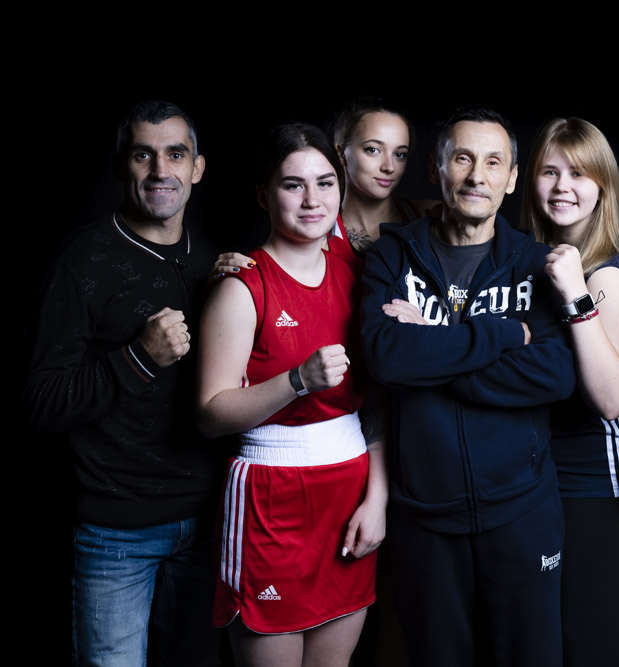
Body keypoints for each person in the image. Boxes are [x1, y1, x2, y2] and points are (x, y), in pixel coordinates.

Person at [359, 107, 575, 667]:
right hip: (424, 517)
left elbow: (553, 374)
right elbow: (385, 357)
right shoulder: (390, 255)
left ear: (512, 178)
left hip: (522, 510)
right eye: (462, 159)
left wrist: (429, 348)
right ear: (437, 170)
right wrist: (502, 335)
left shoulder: (537, 265)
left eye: (493, 162)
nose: (477, 176)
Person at [25, 100, 221, 665]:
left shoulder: (211, 258)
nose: (161, 170)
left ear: (197, 168)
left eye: (175, 155)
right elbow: (40, 402)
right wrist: (138, 357)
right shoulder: (84, 260)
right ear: (121, 166)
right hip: (117, 534)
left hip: (209, 523)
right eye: (143, 155)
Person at [196, 123, 387, 667]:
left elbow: (378, 405)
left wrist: (378, 499)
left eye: (325, 183)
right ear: (264, 195)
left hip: (350, 494)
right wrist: (297, 380)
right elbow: (210, 414)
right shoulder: (243, 285)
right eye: (292, 184)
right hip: (271, 502)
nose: (312, 200)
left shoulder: (362, 274)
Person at [522, 117, 619, 667]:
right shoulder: (526, 261)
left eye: (578, 173)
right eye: (549, 172)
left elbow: (612, 399)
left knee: (586, 651)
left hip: (596, 487)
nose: (562, 186)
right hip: (533, 485)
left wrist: (577, 292)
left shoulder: (607, 278)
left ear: (603, 186)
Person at [328, 100, 438, 267]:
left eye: (399, 154)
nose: (389, 167)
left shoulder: (431, 215)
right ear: (342, 154)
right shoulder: (318, 230)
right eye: (373, 150)